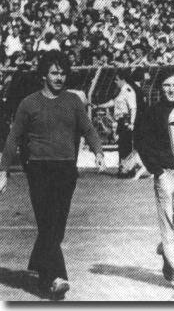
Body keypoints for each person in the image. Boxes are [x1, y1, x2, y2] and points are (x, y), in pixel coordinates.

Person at [0, 50, 105, 299]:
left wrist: (99, 151)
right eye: (54, 73)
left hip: (66, 169)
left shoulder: (73, 101)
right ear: (44, 75)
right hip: (38, 169)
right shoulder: (29, 103)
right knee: (48, 223)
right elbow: (13, 138)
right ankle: (57, 278)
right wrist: (3, 170)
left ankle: (40, 267)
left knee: (56, 227)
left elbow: (88, 129)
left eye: (63, 73)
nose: (59, 77)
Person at [134, 68, 174, 287]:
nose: (171, 89)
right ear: (160, 88)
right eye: (167, 85)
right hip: (166, 173)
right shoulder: (153, 112)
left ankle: (172, 259)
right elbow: (141, 141)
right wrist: (157, 169)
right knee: (168, 226)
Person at [96, 70, 137, 173]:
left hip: (125, 121)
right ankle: (123, 169)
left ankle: (127, 170)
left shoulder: (128, 90)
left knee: (126, 146)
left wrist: (131, 123)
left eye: (117, 79)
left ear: (123, 80)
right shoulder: (121, 91)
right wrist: (99, 106)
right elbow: (113, 102)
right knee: (122, 145)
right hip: (120, 121)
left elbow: (133, 107)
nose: (115, 81)